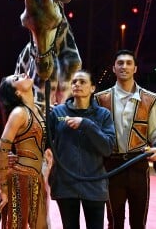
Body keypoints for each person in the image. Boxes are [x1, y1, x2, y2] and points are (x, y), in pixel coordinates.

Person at [94, 49, 156, 229]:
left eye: (128, 63)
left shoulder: (150, 99)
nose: (124, 66)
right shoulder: (100, 99)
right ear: (113, 68)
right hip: (111, 166)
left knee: (138, 221)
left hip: (138, 165)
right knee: (114, 221)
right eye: (120, 63)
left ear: (135, 69)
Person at [48, 70, 116, 229]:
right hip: (65, 185)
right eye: (74, 82)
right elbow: (45, 144)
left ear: (93, 88)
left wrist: (86, 124)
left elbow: (107, 148)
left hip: (94, 184)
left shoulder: (103, 115)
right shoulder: (58, 112)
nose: (77, 84)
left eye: (82, 82)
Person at [0, 73, 48, 228]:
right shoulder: (19, 113)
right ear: (17, 93)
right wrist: (4, 190)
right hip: (21, 179)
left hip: (37, 178)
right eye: (16, 79)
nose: (23, 74)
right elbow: (2, 150)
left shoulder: (37, 109)